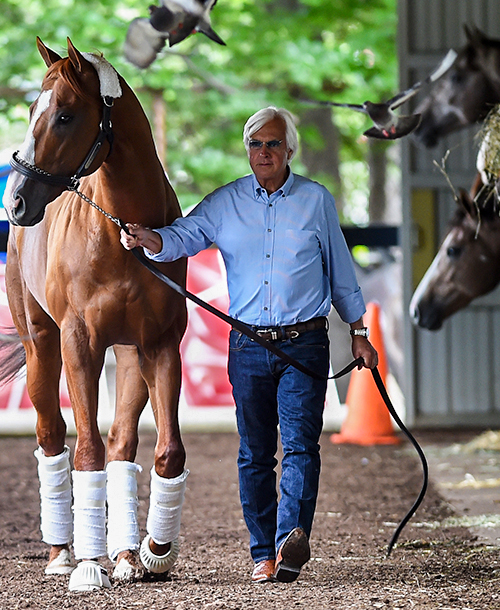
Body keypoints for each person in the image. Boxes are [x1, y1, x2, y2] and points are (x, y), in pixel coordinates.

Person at [118, 106, 377, 585]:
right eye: (256, 144)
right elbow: (183, 237)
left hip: (304, 344)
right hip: (249, 346)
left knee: (300, 446)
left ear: (290, 150)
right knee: (255, 453)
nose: (264, 153)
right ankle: (264, 553)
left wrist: (359, 333)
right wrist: (149, 239)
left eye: (274, 143)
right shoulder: (225, 202)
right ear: (247, 150)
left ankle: (289, 541)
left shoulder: (316, 201)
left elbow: (341, 270)